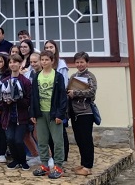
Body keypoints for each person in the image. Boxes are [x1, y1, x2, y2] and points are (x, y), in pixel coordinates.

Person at [31, 49, 68, 179]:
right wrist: (33, 113)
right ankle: (45, 165)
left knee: (57, 141)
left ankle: (58, 166)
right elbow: (33, 96)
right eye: (42, 59)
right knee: (42, 140)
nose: (44, 62)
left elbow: (63, 97)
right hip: (40, 113)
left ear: (52, 61)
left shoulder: (58, 76)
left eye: (47, 59)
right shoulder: (36, 76)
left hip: (54, 114)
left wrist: (60, 114)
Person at [0, 54, 32, 170]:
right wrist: (6, 102)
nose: (13, 64)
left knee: (18, 140)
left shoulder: (25, 81)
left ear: (20, 64)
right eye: (11, 62)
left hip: (21, 117)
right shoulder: (5, 81)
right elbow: (0, 100)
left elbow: (28, 101)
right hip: (8, 116)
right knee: (10, 139)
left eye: (15, 62)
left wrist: (16, 100)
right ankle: (16, 160)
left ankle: (23, 160)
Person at [68, 51, 97, 176]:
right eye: (77, 62)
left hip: (85, 112)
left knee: (86, 140)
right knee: (79, 139)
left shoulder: (90, 76)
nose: (79, 64)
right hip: (74, 112)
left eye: (82, 62)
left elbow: (92, 92)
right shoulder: (73, 76)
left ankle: (88, 166)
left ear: (87, 63)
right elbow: (68, 89)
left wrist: (76, 93)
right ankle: (83, 163)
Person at [45, 39, 70, 161]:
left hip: (58, 102)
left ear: (55, 48)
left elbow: (64, 85)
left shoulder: (61, 64)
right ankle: (53, 156)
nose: (49, 49)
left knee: (60, 132)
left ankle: (62, 158)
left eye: (51, 47)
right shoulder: (44, 65)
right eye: (47, 47)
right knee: (49, 133)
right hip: (46, 103)